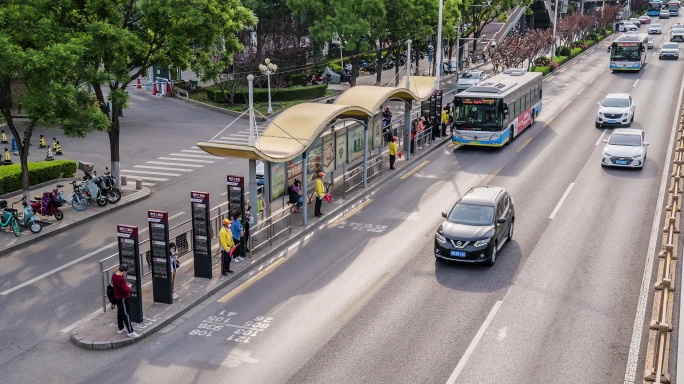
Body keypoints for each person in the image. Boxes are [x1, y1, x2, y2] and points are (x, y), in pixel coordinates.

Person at [112, 264, 139, 338]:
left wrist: (125, 284)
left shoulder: (114, 275)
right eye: (126, 272)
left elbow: (119, 286)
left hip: (118, 298)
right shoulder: (120, 279)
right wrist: (129, 287)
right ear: (123, 271)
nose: (125, 273)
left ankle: (121, 328)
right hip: (123, 298)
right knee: (126, 314)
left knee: (120, 313)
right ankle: (130, 331)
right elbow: (123, 290)